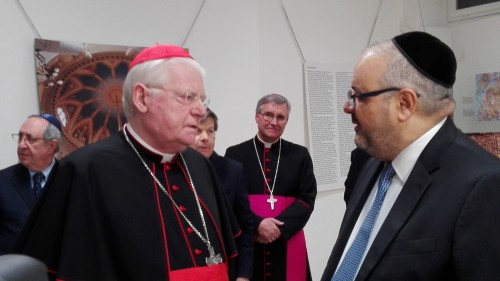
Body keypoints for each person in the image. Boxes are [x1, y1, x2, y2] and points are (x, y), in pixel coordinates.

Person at [15, 45, 239, 281]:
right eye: (187, 97)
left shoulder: (200, 165)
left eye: (203, 99)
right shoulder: (84, 170)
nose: (200, 110)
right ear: (142, 98)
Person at [321, 31, 500, 281]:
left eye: (358, 96)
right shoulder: (373, 161)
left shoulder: (483, 185)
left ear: (404, 104)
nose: (347, 107)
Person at [225, 94, 317, 281]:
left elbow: (307, 198)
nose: (274, 122)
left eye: (280, 117)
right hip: (250, 240)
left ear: (286, 121)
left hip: (287, 240)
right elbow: (229, 201)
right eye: (268, 115)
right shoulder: (235, 153)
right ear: (257, 116)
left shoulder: (300, 155)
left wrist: (278, 229)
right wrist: (258, 224)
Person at [191, 108, 254, 281]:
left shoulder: (232, 170)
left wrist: (243, 274)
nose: (205, 137)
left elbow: (245, 227)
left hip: (226, 265)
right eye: (198, 131)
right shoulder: (173, 171)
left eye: (210, 131)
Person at [0, 114, 61, 255]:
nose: (21, 145)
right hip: (13, 271)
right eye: (20, 137)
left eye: (30, 139)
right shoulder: (3, 181)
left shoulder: (70, 179)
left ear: (51, 146)